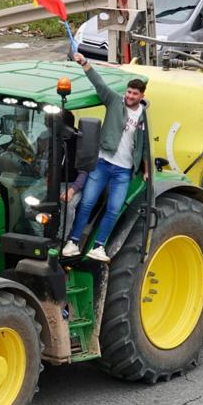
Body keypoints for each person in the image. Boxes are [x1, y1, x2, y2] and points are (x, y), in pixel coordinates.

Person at [61, 52, 149, 262]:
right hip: (103, 163)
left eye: (134, 94)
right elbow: (98, 83)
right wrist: (84, 63)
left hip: (123, 170)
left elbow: (144, 145)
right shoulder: (114, 101)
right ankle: (73, 242)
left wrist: (145, 170)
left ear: (142, 96)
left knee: (114, 209)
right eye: (128, 92)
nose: (130, 96)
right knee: (87, 203)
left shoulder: (144, 116)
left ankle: (99, 246)